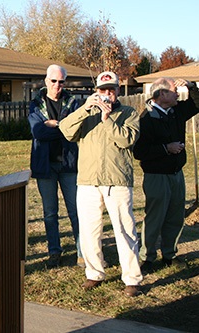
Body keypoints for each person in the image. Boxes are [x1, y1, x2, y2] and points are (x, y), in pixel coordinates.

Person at [59, 71, 143, 297]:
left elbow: (127, 139)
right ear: (96, 91)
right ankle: (94, 272)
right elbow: (66, 131)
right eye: (103, 90)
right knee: (89, 230)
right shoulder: (86, 112)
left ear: (117, 91)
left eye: (112, 89)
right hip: (88, 180)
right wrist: (85, 109)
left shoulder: (129, 113)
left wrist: (107, 121)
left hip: (117, 181)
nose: (107, 94)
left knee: (125, 230)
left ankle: (132, 278)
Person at [134, 77, 199, 274]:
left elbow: (198, 103)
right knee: (155, 217)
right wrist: (166, 148)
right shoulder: (146, 118)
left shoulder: (176, 111)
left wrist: (191, 86)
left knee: (175, 216)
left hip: (176, 174)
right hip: (156, 176)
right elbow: (139, 152)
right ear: (161, 94)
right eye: (173, 91)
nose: (178, 94)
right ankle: (147, 258)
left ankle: (169, 255)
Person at [28, 64, 81, 268]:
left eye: (61, 82)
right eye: (53, 81)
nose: (57, 85)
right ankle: (54, 252)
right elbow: (38, 132)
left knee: (75, 211)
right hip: (45, 166)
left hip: (69, 165)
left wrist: (54, 125)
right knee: (50, 213)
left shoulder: (72, 103)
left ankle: (82, 252)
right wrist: (63, 126)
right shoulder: (35, 104)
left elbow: (75, 130)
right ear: (46, 81)